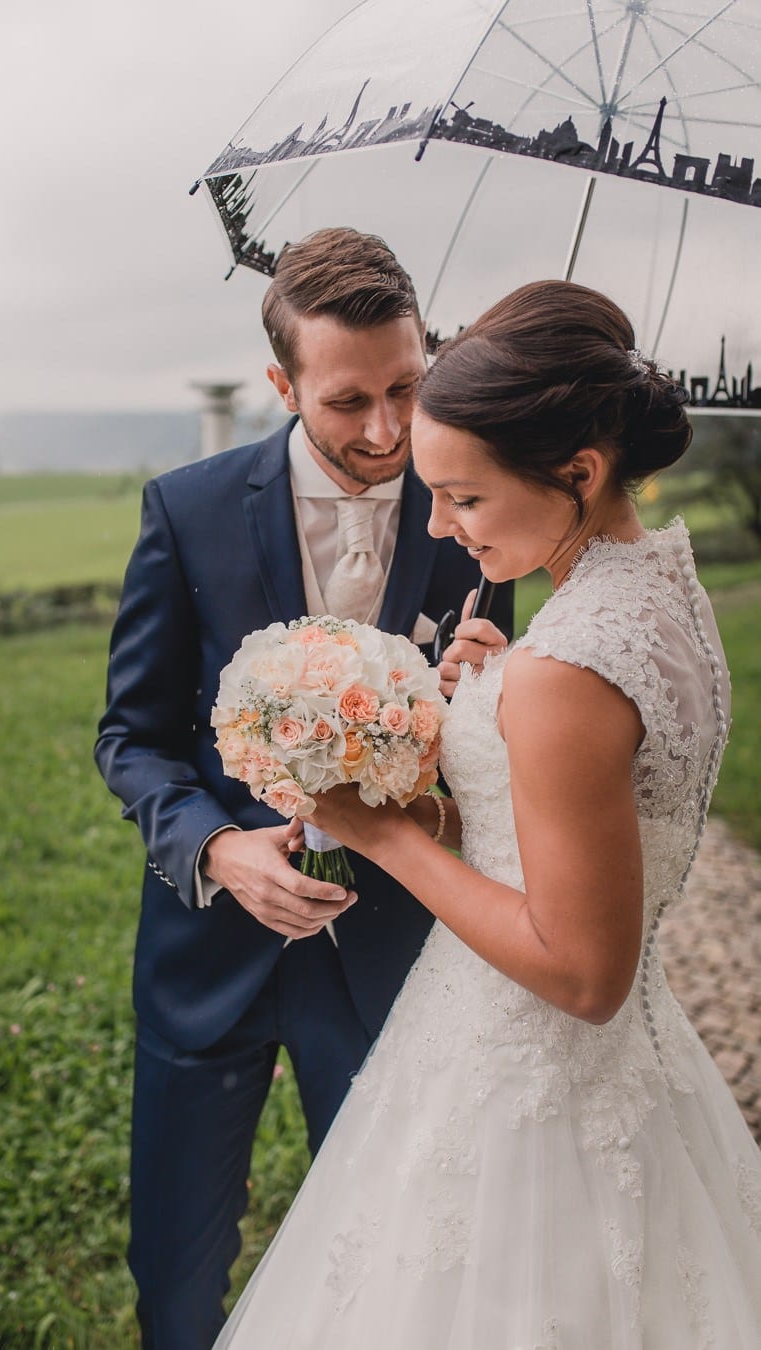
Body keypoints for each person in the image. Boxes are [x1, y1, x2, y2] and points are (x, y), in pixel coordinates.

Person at [213, 279, 761, 1348]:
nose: (439, 525)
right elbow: (607, 788)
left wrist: (380, 833)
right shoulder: (661, 593)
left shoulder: (567, 671)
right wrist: (496, 708)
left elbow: (582, 974)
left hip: (530, 1077)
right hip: (634, 1073)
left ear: (580, 471)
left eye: (464, 498)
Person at [94, 226, 513, 1350]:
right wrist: (216, 849)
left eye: (406, 388)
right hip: (206, 962)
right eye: (346, 402)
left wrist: (480, 698)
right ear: (282, 385)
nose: (386, 431)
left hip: (390, 960)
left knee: (390, 1255)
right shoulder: (185, 511)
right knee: (177, 1277)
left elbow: (479, 767)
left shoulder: (475, 515)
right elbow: (130, 737)